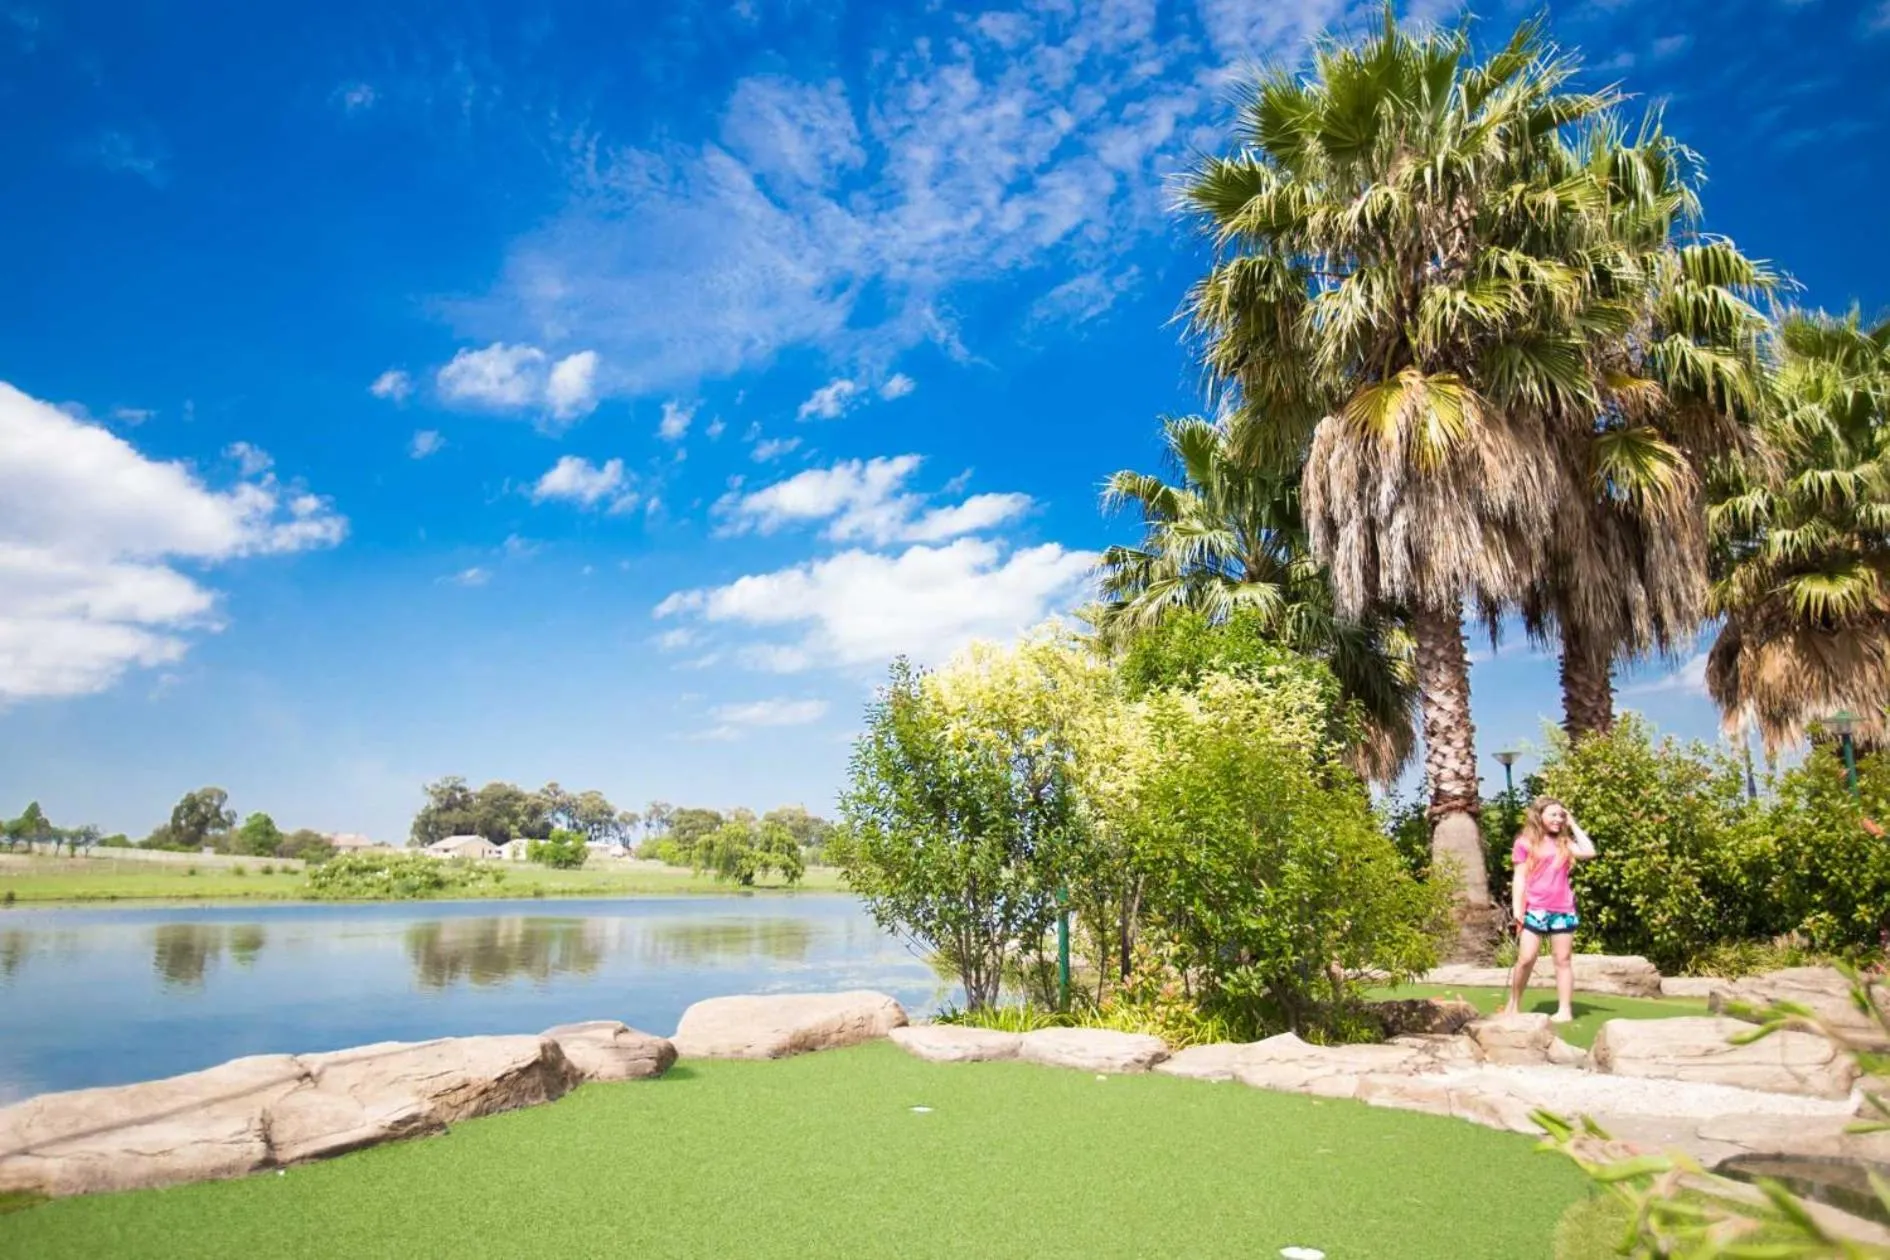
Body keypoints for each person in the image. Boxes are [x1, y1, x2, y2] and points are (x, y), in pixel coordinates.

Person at [1502, 796, 1597, 1023]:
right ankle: (1513, 1004)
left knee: (1562, 959)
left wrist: (1572, 824)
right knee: (1526, 958)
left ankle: (1565, 1010)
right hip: (1535, 908)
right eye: (1553, 814)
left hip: (1563, 908)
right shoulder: (1525, 842)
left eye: (1560, 815)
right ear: (1539, 816)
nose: (1557, 819)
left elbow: (1589, 851)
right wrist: (1517, 908)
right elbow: (1520, 877)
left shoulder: (1564, 843)